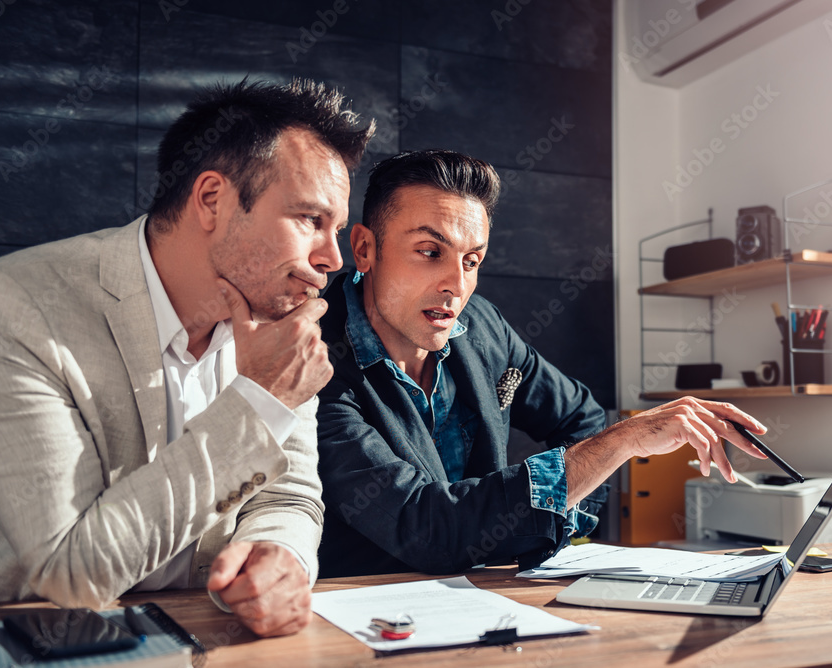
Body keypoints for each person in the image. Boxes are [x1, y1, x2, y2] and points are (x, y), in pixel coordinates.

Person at [0, 78, 373, 637]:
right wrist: (259, 399)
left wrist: (279, 558)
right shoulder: (10, 307)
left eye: (336, 228)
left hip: (202, 638)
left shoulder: (277, 320)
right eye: (310, 220)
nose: (334, 258)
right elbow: (71, 574)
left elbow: (289, 493)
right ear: (212, 199)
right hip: (7, 638)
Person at [316, 150, 770, 577]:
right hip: (363, 616)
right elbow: (425, 525)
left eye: (472, 260)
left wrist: (553, 520)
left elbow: (584, 419)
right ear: (364, 249)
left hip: (492, 598)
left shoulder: (483, 325)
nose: (457, 284)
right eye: (431, 252)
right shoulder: (312, 361)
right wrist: (618, 444)